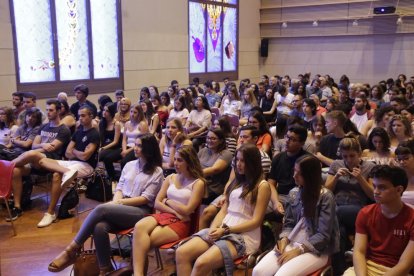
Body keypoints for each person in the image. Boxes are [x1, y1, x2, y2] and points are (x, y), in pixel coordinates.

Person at [47, 134, 163, 275]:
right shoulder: (129, 165)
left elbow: (145, 198)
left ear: (149, 149)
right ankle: (105, 270)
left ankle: (71, 250)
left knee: (101, 209)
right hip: (122, 206)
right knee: (99, 227)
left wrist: (119, 203)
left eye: (139, 146)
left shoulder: (157, 171)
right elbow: (120, 188)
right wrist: (116, 202)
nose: (135, 148)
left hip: (141, 213)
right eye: (136, 144)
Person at [175, 144, 270, 276]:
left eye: (243, 161)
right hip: (223, 228)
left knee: (201, 263)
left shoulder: (262, 186)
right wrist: (213, 228)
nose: (239, 164)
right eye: (237, 160)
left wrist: (225, 230)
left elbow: (256, 221)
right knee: (182, 253)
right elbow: (224, 211)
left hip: (244, 236)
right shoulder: (236, 181)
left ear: (252, 162)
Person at [253, 155, 340, 276]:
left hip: (317, 249)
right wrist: (284, 239)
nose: (294, 176)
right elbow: (289, 224)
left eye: (299, 173)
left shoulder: (326, 197)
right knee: (258, 271)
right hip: (293, 242)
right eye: (294, 171)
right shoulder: (293, 193)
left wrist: (299, 250)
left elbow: (323, 236)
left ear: (310, 176)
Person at [131, 145, 205, 275]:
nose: (175, 163)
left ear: (190, 161)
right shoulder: (171, 177)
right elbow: (156, 203)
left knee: (141, 243)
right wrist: (175, 211)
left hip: (183, 223)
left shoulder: (198, 183)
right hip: (166, 215)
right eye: (175, 159)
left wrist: (167, 200)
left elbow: (188, 210)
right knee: (139, 227)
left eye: (180, 160)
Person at [36, 105, 100, 227]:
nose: (80, 118)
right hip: (72, 163)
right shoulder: (78, 132)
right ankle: (66, 172)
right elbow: (67, 153)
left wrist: (74, 151)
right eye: (78, 116)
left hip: (86, 166)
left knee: (56, 175)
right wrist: (78, 152)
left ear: (91, 116)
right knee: (42, 161)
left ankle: (50, 213)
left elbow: (85, 157)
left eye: (83, 115)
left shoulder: (94, 134)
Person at [344, 165, 414, 276]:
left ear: (399, 189)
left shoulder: (412, 218)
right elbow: (359, 252)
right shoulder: (365, 213)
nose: (375, 191)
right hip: (369, 265)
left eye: (382, 187)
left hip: (399, 271)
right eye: (374, 186)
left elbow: (405, 264)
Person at [9, 99, 71, 221]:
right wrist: (42, 145)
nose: (48, 113)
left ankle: (5, 168)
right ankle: (17, 206)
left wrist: (39, 148)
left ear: (59, 111)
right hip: (36, 161)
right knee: (16, 170)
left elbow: (52, 148)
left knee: (32, 153)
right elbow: (35, 145)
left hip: (52, 162)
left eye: (51, 110)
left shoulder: (63, 129)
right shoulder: (44, 126)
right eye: (47, 110)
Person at [325, 135, 376, 275]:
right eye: (345, 156)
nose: (348, 160)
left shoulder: (369, 167)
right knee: (337, 228)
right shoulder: (336, 165)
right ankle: (341, 269)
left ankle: (339, 266)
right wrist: (336, 178)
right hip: (336, 207)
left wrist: (360, 179)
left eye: (352, 156)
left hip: (358, 209)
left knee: (333, 216)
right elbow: (326, 191)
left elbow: (373, 195)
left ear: (359, 154)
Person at [268, 124, 310, 208]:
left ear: (302, 143)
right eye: (287, 137)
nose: (287, 141)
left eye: (292, 139)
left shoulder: (308, 161)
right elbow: (271, 184)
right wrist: (276, 202)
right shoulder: (278, 158)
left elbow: (310, 187)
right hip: (279, 196)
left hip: (300, 196)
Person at [198, 129, 233, 204]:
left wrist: (192, 173)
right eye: (208, 138)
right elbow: (194, 165)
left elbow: (214, 170)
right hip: (199, 182)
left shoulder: (226, 154)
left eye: (213, 138)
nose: (209, 140)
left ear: (221, 140)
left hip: (213, 188)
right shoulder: (203, 151)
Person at [98, 102, 122, 181]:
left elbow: (115, 141)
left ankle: (113, 177)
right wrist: (100, 147)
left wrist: (103, 148)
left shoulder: (116, 124)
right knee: (97, 154)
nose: (104, 112)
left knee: (106, 158)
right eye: (104, 110)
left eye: (107, 111)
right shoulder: (102, 123)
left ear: (111, 112)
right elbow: (101, 138)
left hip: (116, 147)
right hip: (106, 147)